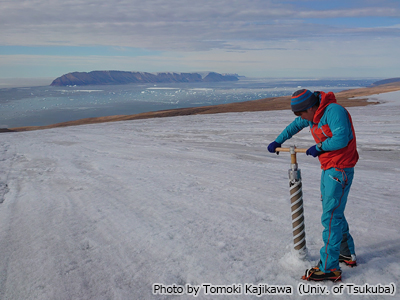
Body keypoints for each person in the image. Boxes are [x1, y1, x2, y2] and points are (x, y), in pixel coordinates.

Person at [268, 89, 358, 282]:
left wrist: (318, 148)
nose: (301, 118)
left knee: (331, 217)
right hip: (329, 167)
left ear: (309, 107)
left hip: (339, 168)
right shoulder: (313, 115)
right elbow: (294, 126)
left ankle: (329, 267)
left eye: (301, 113)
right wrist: (278, 141)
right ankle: (346, 253)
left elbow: (341, 138)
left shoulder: (333, 111)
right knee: (334, 212)